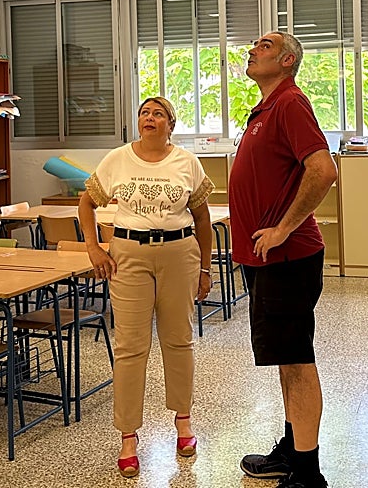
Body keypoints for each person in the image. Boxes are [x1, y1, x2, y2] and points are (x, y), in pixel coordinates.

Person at [78, 96, 215, 479]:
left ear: (171, 124)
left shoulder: (186, 161)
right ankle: (128, 436)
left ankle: (184, 422)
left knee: (178, 339)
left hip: (179, 254)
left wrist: (206, 268)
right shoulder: (118, 158)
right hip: (128, 255)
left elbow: (202, 219)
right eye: (143, 113)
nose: (149, 118)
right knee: (130, 347)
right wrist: (93, 247)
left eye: (158, 114)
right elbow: (85, 204)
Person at [229, 31, 338, 488]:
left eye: (265, 45)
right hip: (265, 260)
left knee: (296, 360)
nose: (252, 50)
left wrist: (284, 228)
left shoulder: (291, 103)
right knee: (284, 358)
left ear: (288, 60)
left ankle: (308, 474)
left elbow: (323, 170)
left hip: (287, 258)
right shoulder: (266, 108)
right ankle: (292, 451)